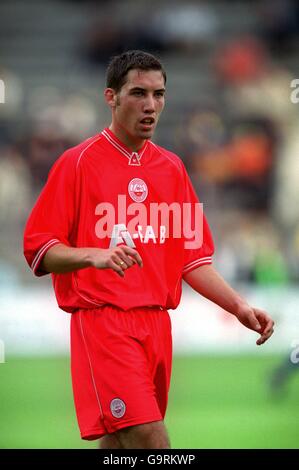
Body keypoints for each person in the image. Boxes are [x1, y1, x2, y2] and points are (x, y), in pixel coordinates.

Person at [23, 50, 274, 449]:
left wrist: (238, 306)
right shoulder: (78, 163)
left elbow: (193, 259)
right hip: (105, 324)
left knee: (120, 446)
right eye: (138, 93)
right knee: (152, 442)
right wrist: (93, 254)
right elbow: (39, 248)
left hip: (157, 327)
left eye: (159, 94)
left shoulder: (172, 168)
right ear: (112, 97)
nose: (151, 105)